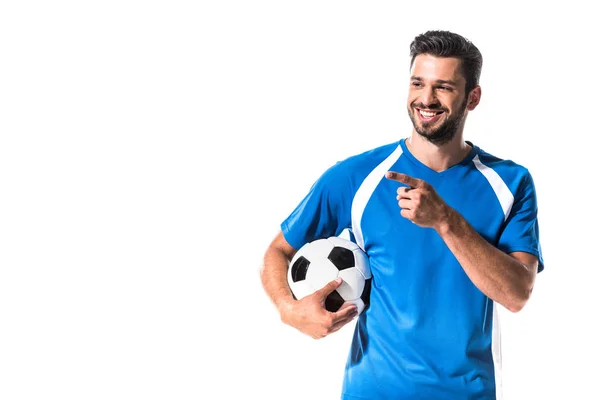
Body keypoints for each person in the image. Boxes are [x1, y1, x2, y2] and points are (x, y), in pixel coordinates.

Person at [260, 30, 544, 400]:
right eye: (417, 83)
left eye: (443, 87)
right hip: (372, 391)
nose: (426, 99)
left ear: (472, 97)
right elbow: (277, 252)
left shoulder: (510, 182)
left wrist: (446, 221)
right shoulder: (356, 176)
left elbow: (517, 294)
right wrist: (289, 310)